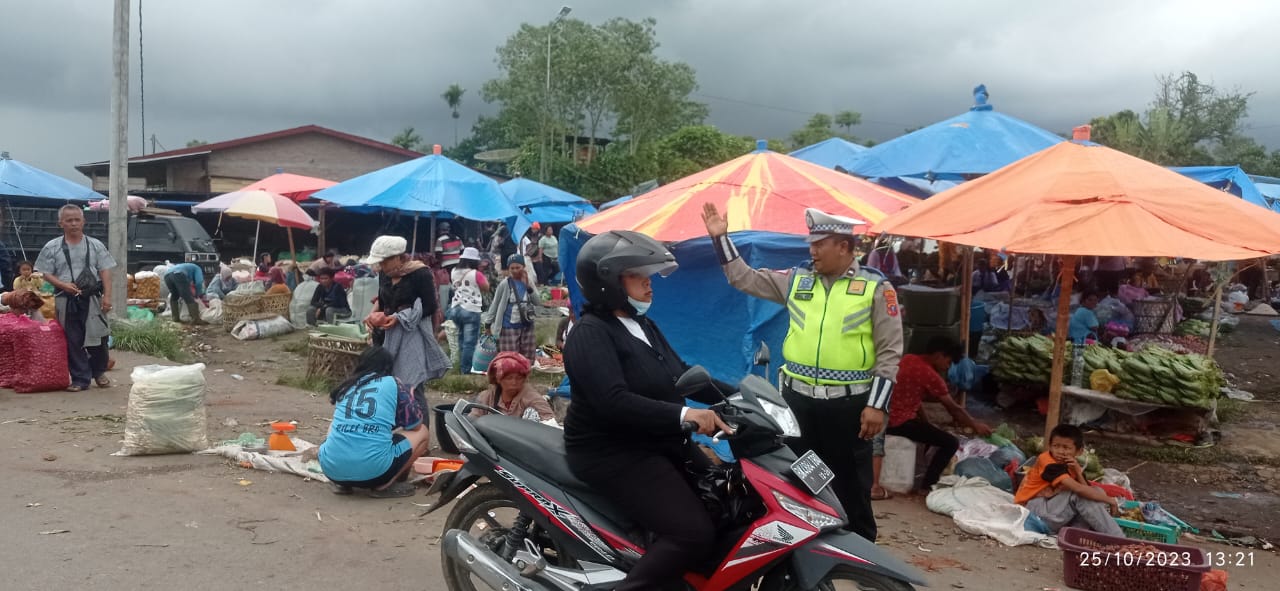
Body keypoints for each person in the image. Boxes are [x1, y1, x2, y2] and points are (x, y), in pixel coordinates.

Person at [702, 203, 902, 541]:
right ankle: (807, 548)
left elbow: (890, 351)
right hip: (797, 403)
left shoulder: (876, 288)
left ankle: (860, 556)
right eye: (810, 244)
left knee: (851, 484)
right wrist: (721, 239)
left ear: (843, 246)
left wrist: (877, 405)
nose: (811, 250)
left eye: (818, 244)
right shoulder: (797, 280)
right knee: (800, 479)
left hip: (849, 408)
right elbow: (743, 277)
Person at [564, 230, 735, 591]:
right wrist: (685, 416)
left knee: (728, 500)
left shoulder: (642, 324)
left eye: (647, 272)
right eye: (635, 274)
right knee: (693, 533)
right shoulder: (589, 334)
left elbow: (681, 373)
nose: (648, 281)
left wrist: (738, 397)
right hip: (613, 452)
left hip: (657, 440)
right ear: (608, 282)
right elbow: (612, 401)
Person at [870, 336, 992, 499]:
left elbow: (914, 398)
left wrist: (926, 422)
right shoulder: (931, 376)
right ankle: (927, 486)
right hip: (900, 422)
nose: (947, 367)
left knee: (929, 432)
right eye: (948, 362)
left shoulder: (909, 359)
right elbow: (954, 409)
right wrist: (975, 424)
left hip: (887, 416)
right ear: (939, 355)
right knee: (950, 442)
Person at [319, 347, 431, 498]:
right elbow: (415, 425)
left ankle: (341, 483)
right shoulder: (393, 383)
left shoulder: (348, 384)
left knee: (335, 424)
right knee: (423, 432)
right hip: (375, 471)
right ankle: (385, 484)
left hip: (331, 469)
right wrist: (410, 400)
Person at [362, 235, 450, 411]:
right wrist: (372, 317)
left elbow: (430, 306)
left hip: (411, 335)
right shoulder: (385, 275)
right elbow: (383, 301)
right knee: (387, 384)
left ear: (399, 257)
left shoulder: (420, 273)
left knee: (411, 386)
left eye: (385, 261)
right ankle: (394, 425)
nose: (382, 266)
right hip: (386, 335)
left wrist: (400, 318)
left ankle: (419, 428)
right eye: (380, 262)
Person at [35, 204, 116, 391]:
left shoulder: (95, 245)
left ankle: (99, 372)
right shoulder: (52, 247)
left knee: (99, 337)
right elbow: (45, 272)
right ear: (60, 223)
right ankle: (80, 379)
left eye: (77, 220)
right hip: (66, 299)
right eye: (68, 220)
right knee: (73, 340)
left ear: (83, 222)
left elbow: (105, 271)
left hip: (93, 299)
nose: (73, 224)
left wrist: (108, 296)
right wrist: (63, 285)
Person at [1015, 424, 1123, 536]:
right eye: (1056, 446)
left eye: (1066, 448)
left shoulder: (1071, 464)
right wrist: (1111, 500)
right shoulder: (1047, 462)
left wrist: (1077, 471)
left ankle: (1076, 534)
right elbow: (1079, 489)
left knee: (1097, 491)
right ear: (1050, 446)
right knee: (1080, 495)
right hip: (1033, 513)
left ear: (1079, 452)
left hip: (1051, 510)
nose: (1060, 451)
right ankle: (1119, 539)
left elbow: (1088, 489)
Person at [482, 254, 542, 362]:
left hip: (526, 325)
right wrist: (488, 323)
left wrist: (528, 286)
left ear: (523, 267)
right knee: (509, 358)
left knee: (526, 358)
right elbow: (495, 304)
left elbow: (537, 302)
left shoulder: (529, 281)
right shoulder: (505, 284)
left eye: (518, 267)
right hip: (508, 326)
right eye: (512, 268)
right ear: (508, 269)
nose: (515, 271)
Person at [470, 351, 555, 422]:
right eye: (509, 378)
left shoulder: (532, 398)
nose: (514, 382)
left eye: (519, 378)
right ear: (498, 379)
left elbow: (550, 422)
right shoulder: (487, 397)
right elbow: (472, 421)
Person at [447, 247, 489, 372]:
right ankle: (466, 369)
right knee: (470, 342)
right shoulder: (476, 274)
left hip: (455, 308)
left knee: (461, 339)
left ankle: (460, 364)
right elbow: (486, 287)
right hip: (471, 309)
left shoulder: (453, 271)